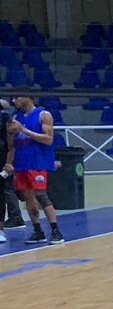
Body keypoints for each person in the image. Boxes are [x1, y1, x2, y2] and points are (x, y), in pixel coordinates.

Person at [6, 94, 65, 245]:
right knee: (28, 197)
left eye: (16, 98)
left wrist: (24, 130)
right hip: (21, 163)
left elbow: (48, 139)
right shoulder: (15, 117)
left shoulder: (43, 115)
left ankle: (56, 230)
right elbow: (11, 145)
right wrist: (9, 162)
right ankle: (38, 231)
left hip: (37, 162)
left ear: (27, 97)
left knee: (41, 195)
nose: (14, 101)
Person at [0, 100, 22, 228]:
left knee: (6, 189)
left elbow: (11, 146)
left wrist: (8, 162)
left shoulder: (6, 120)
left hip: (5, 159)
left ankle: (15, 217)